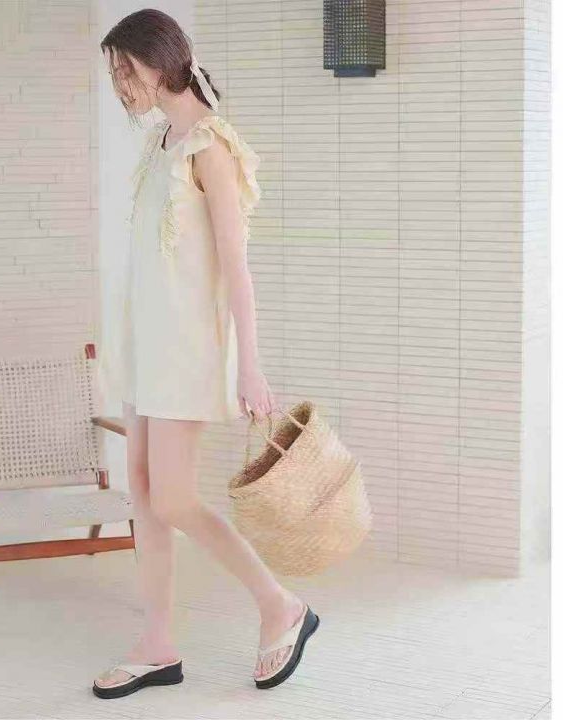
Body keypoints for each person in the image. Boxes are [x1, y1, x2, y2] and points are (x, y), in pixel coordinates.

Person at [93, 9, 319, 699]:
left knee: (174, 497)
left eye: (125, 69)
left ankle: (281, 605)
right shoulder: (162, 141)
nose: (119, 83)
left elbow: (235, 267)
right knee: (143, 493)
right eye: (114, 72)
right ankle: (158, 643)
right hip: (147, 344)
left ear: (161, 61)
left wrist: (250, 363)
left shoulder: (212, 147)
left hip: (187, 350)